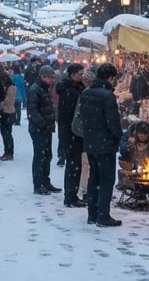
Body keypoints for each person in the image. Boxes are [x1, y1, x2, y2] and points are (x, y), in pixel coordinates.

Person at [80, 63, 122, 227]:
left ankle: (93, 213)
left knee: (94, 178)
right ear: (110, 78)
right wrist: (117, 136)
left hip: (90, 141)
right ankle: (103, 215)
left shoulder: (86, 93)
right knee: (106, 179)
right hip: (105, 143)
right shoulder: (107, 96)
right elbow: (113, 122)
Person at [27, 65, 61, 195]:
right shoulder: (36, 90)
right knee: (40, 156)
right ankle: (38, 184)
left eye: (53, 77)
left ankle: (45, 182)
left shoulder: (44, 89)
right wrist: (43, 123)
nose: (52, 80)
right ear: (43, 77)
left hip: (46, 128)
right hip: (38, 129)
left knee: (47, 156)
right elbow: (33, 110)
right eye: (50, 77)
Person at [56, 63, 86, 207]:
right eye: (80, 74)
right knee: (73, 165)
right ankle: (70, 197)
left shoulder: (73, 88)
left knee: (74, 165)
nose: (82, 77)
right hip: (72, 133)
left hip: (71, 132)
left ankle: (71, 195)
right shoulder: (71, 91)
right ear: (72, 75)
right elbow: (70, 115)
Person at [79, 70, 96, 199]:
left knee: (87, 164)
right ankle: (87, 189)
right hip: (88, 134)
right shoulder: (87, 95)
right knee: (87, 164)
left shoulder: (84, 94)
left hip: (87, 134)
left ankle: (87, 188)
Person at [0, 69, 17, 161]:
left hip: (8, 112)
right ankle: (7, 152)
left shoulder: (11, 87)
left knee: (7, 133)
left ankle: (9, 153)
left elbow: (9, 101)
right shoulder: (5, 87)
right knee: (4, 133)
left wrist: (0, 101)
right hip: (3, 112)